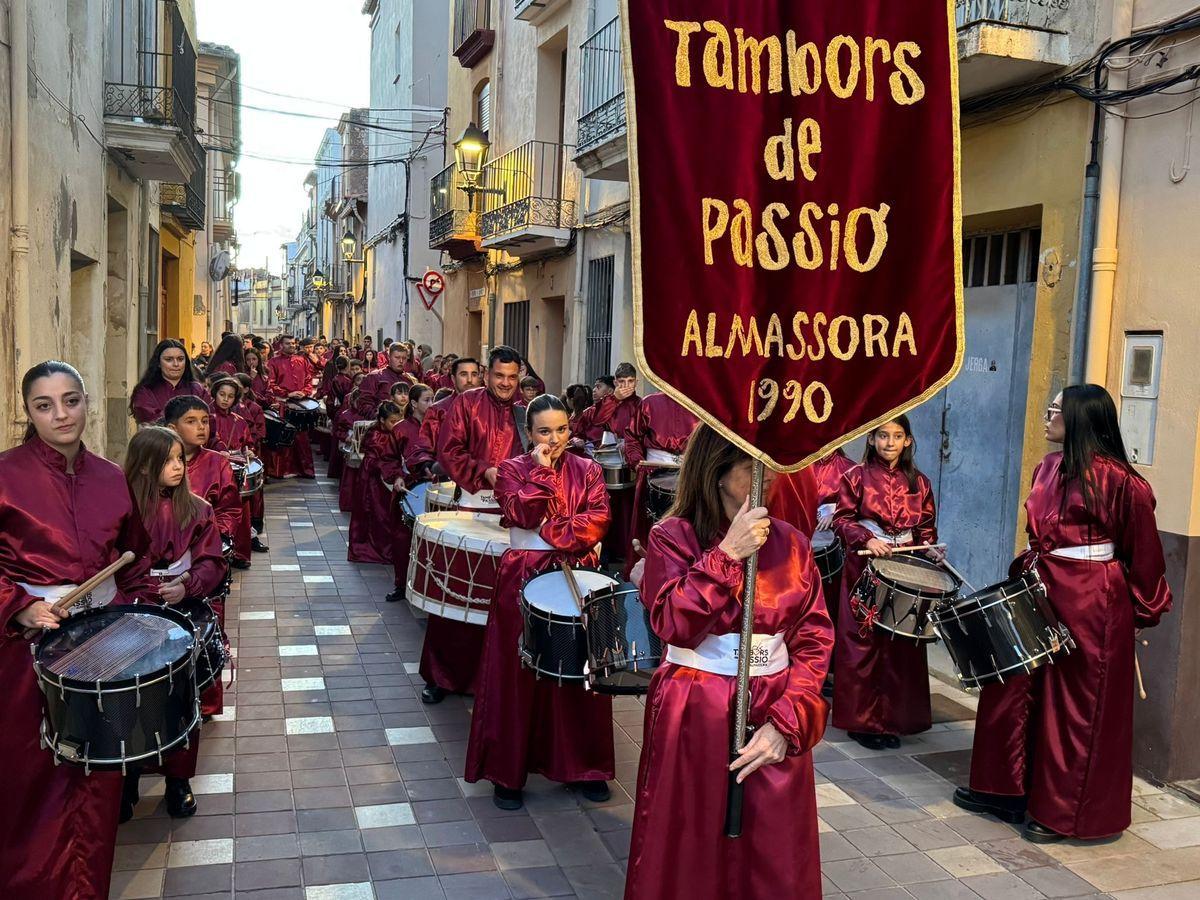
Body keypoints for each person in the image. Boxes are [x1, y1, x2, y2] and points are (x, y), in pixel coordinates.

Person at [955, 385, 1172, 844]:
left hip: (1092, 600)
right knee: (1012, 687)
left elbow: (1146, 558)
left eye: (1055, 408)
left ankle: (1063, 813)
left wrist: (1137, 613)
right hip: (1038, 587)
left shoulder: (1124, 484)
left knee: (1075, 707)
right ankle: (1004, 791)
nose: (1047, 414)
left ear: (1078, 418)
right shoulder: (1047, 467)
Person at [624, 425, 832, 900]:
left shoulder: (793, 544)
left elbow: (814, 640)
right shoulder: (672, 537)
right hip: (694, 706)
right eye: (750, 467)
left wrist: (787, 723)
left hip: (773, 707)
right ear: (716, 471)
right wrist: (727, 555)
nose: (767, 478)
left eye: (770, 466)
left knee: (774, 850)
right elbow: (673, 622)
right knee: (690, 841)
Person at [0, 361, 157, 900]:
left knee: (98, 776)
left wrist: (138, 616)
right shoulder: (5, 476)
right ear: (28, 411)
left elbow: (134, 560)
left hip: (103, 649)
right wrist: (18, 606)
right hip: (26, 651)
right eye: (44, 405)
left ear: (87, 402)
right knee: (31, 774)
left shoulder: (112, 478)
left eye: (71, 400)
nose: (61, 415)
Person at [464, 395, 615, 810]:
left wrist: (553, 533)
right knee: (518, 670)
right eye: (544, 431)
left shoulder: (588, 469)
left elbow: (599, 519)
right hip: (523, 576)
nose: (554, 439)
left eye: (562, 429)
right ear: (529, 433)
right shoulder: (512, 469)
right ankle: (507, 771)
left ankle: (585, 766)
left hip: (576, 573)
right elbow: (521, 514)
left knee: (582, 668)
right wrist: (543, 473)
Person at [119, 427, 227, 823]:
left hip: (180, 614)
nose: (179, 466)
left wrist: (189, 585)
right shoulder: (120, 508)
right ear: (144, 466)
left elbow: (212, 561)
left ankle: (178, 780)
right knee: (128, 701)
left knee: (181, 700)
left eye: (180, 458)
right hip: (131, 614)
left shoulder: (198, 509)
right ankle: (127, 778)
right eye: (168, 460)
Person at [419, 347, 523, 704]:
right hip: (470, 505)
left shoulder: (527, 409)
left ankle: (490, 681)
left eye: (512, 377)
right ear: (486, 373)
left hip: (513, 514)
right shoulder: (467, 404)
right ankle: (442, 677)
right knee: (456, 594)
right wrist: (484, 472)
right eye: (499, 375)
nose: (505, 383)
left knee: (502, 603)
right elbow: (450, 450)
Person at [831, 416, 940, 750]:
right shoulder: (855, 476)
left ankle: (893, 719)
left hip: (905, 566)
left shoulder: (919, 482)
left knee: (900, 642)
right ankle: (863, 723)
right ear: (871, 439)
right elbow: (841, 521)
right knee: (863, 642)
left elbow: (925, 529)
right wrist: (866, 537)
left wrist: (931, 547)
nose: (889, 443)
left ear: (908, 441)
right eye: (882, 436)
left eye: (896, 436)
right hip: (864, 566)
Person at [164, 395, 244, 723]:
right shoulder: (157, 462)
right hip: (165, 570)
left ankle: (206, 703)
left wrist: (215, 537)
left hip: (205, 562)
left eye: (205, 421)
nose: (201, 428)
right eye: (191, 421)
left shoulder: (216, 463)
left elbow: (230, 508)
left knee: (206, 630)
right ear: (172, 428)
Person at [622, 392, 699, 574]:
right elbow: (632, 437)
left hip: (691, 471)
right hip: (653, 471)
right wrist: (637, 461)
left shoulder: (702, 403)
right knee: (650, 525)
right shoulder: (649, 403)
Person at [385, 384, 436, 604]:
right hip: (408, 489)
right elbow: (389, 458)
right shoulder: (401, 428)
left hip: (436, 489)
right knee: (402, 540)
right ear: (414, 403)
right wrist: (396, 477)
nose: (432, 404)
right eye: (427, 400)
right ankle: (401, 585)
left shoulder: (441, 426)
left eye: (433, 399)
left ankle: (428, 588)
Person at [348, 401, 406, 565]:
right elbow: (373, 461)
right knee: (377, 514)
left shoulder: (394, 433)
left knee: (387, 515)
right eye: (392, 421)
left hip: (386, 477)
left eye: (398, 421)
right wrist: (392, 470)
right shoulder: (375, 435)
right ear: (382, 420)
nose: (396, 425)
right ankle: (375, 549)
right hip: (373, 481)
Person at [266, 334, 317, 478]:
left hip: (301, 404)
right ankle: (281, 471)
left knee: (302, 438)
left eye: (293, 343)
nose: (291, 345)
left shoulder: (302, 360)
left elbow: (309, 379)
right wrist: (288, 394)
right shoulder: (273, 362)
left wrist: (304, 392)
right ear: (281, 345)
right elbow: (270, 383)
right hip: (283, 404)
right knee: (284, 437)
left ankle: (305, 470)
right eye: (288, 343)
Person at [130, 339, 210, 425]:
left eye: (180, 359)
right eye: (169, 359)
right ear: (158, 363)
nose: (176, 364)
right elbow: (152, 421)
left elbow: (211, 419)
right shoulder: (145, 391)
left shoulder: (198, 390)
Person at [235, 373, 270, 553]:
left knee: (249, 499)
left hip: (246, 457)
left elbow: (258, 433)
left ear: (246, 389)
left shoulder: (252, 408)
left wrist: (249, 448)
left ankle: (252, 533)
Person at [356, 342, 415, 417]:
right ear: (389, 357)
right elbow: (364, 404)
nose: (401, 361)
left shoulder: (409, 380)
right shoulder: (374, 377)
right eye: (397, 357)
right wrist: (381, 418)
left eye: (404, 358)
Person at [570, 375, 615, 442]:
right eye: (595, 387)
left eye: (598, 387)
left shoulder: (621, 410)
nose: (594, 390)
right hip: (589, 448)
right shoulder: (588, 413)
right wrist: (577, 440)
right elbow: (576, 435)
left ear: (610, 391)